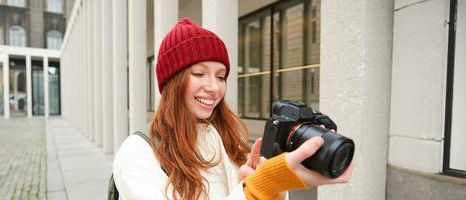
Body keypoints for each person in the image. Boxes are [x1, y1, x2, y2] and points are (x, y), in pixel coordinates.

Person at [113, 18, 353, 200]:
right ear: (171, 83)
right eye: (199, 74)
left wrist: (269, 186)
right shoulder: (138, 153)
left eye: (221, 76)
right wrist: (256, 189)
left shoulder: (228, 135)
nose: (214, 87)